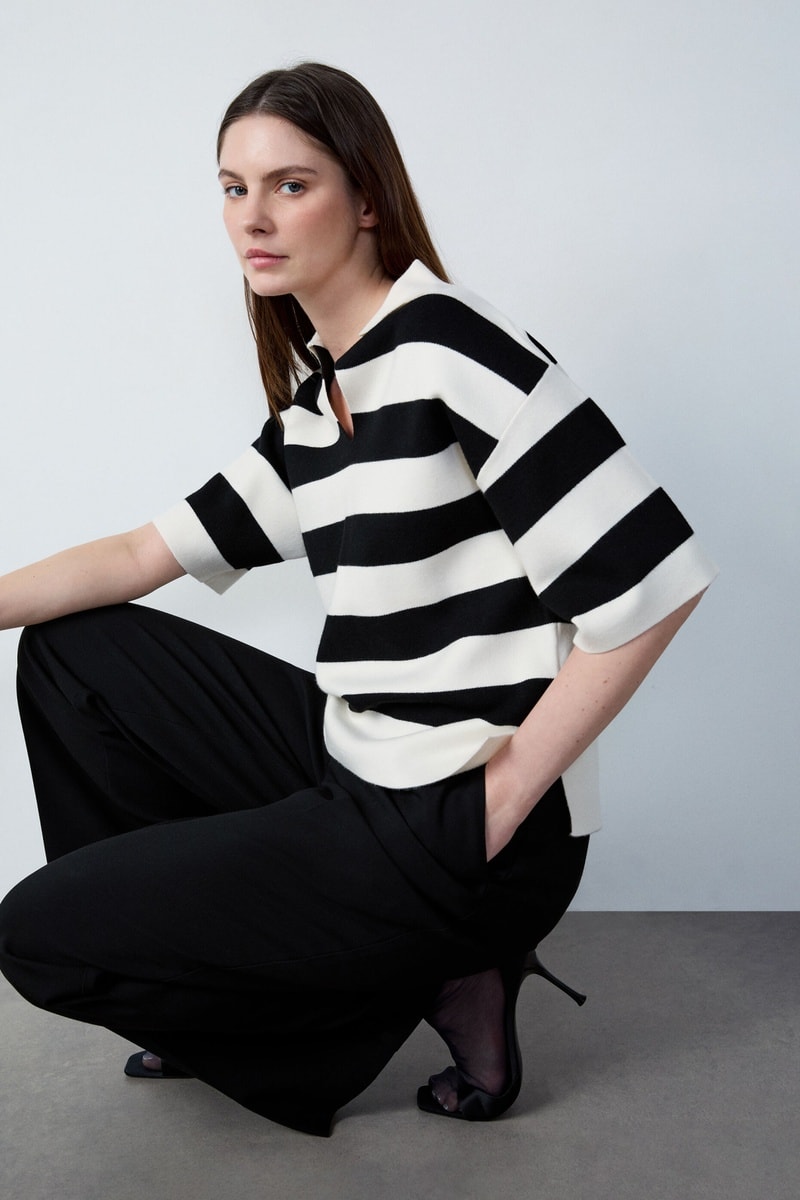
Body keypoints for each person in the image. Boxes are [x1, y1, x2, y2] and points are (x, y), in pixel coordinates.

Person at [0, 62, 717, 1136]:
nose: (253, 218)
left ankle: (369, 983)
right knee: (74, 655)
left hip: (463, 817)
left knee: (36, 934)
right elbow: (142, 552)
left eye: (290, 185)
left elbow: (655, 579)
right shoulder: (320, 402)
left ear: (367, 197)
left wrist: (506, 794)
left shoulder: (449, 347)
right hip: (364, 762)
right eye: (233, 188)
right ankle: (254, 972)